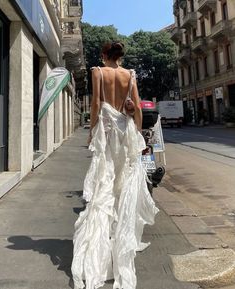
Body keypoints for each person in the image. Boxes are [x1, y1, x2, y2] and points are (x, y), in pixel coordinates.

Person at [71, 41, 159, 289]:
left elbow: (97, 103)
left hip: (108, 133)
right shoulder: (130, 74)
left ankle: (101, 246)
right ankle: (119, 239)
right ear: (119, 56)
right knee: (121, 184)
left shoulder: (98, 72)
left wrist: (91, 130)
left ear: (103, 55)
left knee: (104, 185)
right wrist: (138, 133)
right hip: (126, 132)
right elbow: (137, 105)